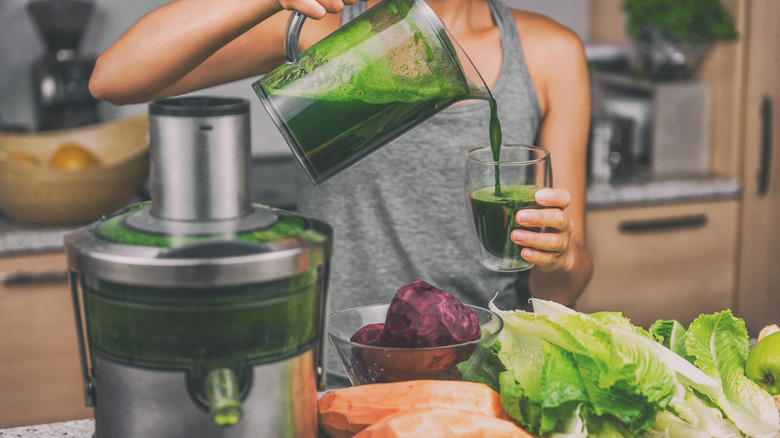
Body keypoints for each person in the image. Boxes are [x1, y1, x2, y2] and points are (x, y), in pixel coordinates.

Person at [90, 0, 593, 386]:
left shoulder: (548, 53)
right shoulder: (328, 28)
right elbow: (114, 78)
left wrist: (559, 260)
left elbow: (564, 289)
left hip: (483, 375)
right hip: (338, 373)